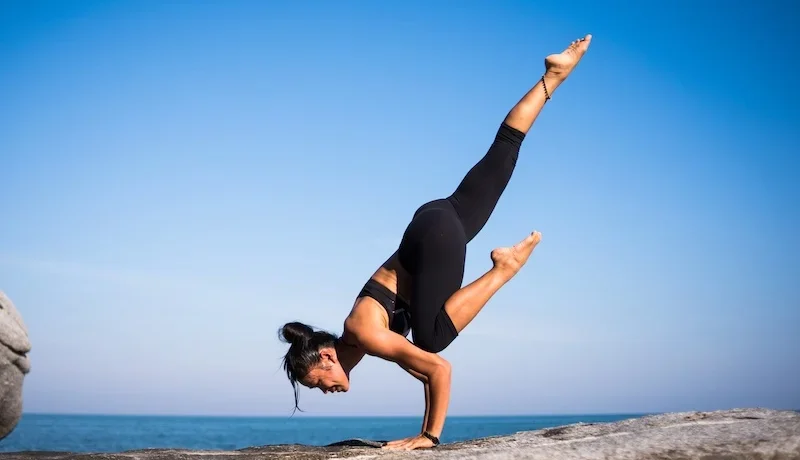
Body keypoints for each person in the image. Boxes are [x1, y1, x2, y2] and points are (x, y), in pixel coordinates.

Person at [278, 34, 593, 451]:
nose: (325, 391)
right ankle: (554, 75)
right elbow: (421, 371)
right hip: (434, 222)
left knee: (431, 339)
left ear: (326, 359)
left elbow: (438, 368)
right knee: (503, 154)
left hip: (435, 239)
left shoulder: (364, 333)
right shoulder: (360, 338)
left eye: (318, 384)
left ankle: (503, 269)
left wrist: (427, 436)